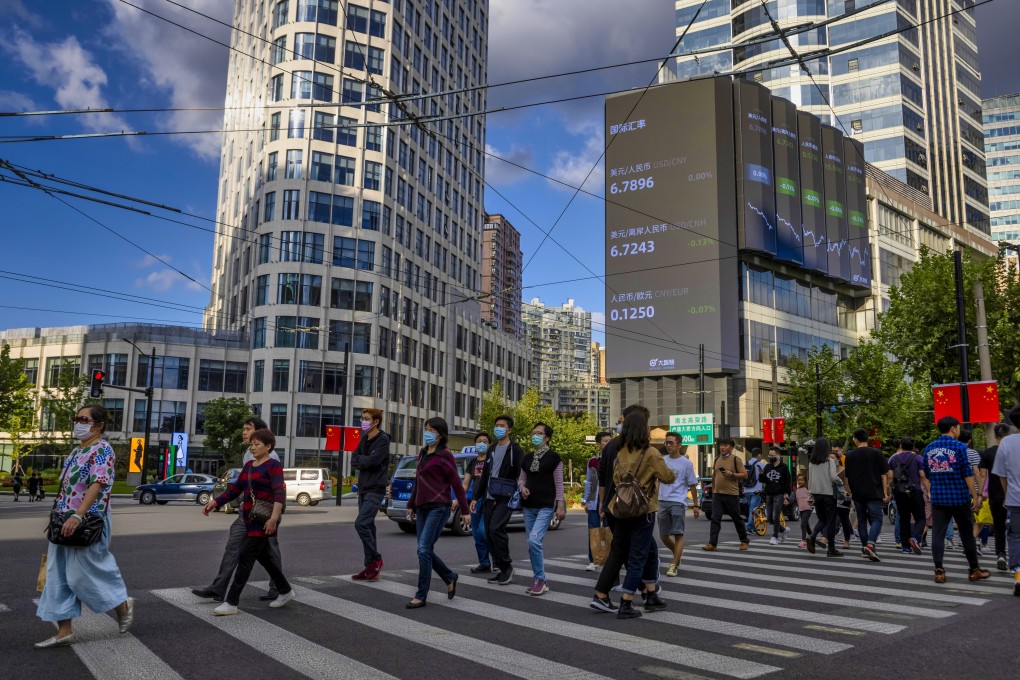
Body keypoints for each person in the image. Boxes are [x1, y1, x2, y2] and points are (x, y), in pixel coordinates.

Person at [35, 405, 134, 648]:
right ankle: (64, 630)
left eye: (83, 419)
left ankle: (122, 604)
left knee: (84, 573)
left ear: (98, 425)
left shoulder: (103, 449)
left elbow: (97, 485)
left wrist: (78, 516)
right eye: (76, 418)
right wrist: (59, 515)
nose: (77, 423)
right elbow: (67, 488)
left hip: (89, 520)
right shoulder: (75, 452)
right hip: (63, 519)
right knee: (55, 574)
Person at [591, 409, 676, 619]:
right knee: (638, 555)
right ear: (643, 429)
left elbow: (614, 480)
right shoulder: (651, 453)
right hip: (643, 510)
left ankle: (651, 593)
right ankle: (627, 602)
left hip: (619, 509)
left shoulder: (620, 452)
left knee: (642, 551)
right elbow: (668, 477)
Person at [193, 417, 284, 602]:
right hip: (247, 512)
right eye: (243, 429)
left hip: (264, 514)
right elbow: (239, 485)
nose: (244, 432)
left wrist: (274, 517)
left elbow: (278, 490)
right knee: (233, 547)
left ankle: (279, 588)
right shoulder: (248, 457)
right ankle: (218, 589)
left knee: (267, 553)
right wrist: (216, 502)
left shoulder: (271, 459)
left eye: (248, 429)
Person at [404, 417, 471, 608]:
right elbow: (418, 482)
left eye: (431, 429)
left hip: (439, 507)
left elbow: (456, 485)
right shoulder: (423, 453)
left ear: (440, 434)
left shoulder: (446, 455)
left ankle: (421, 595)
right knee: (424, 551)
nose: (427, 432)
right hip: (422, 507)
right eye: (426, 428)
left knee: (423, 549)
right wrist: (411, 504)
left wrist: (464, 510)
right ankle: (450, 577)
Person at [920, 416, 989, 584]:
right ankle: (974, 570)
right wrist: (975, 496)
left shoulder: (929, 448)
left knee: (937, 534)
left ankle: (939, 571)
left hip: (938, 499)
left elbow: (927, 474)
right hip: (959, 498)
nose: (958, 430)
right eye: (958, 428)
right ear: (953, 428)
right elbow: (967, 474)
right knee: (966, 534)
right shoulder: (960, 447)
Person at [471, 415, 524, 585]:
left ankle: (507, 566)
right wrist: (476, 497)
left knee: (496, 529)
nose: (498, 428)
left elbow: (521, 473)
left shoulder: (515, 449)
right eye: (496, 425)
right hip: (488, 497)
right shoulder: (492, 448)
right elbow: (485, 474)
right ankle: (500, 568)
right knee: (488, 533)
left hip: (505, 497)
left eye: (502, 425)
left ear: (509, 429)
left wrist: (522, 488)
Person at [518, 423, 566, 596]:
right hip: (528, 505)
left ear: (547, 438)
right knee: (532, 545)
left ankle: (540, 579)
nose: (535, 435)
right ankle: (539, 578)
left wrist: (560, 505)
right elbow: (521, 478)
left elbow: (559, 483)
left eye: (539, 433)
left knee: (534, 540)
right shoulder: (527, 457)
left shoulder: (554, 458)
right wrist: (522, 488)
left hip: (546, 505)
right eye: (533, 433)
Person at [350, 408, 390, 581]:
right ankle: (369, 567)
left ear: (376, 421)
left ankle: (376, 560)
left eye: (367, 419)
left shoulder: (383, 439)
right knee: (369, 527)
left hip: (375, 489)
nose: (363, 421)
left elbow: (374, 461)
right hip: (363, 489)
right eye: (362, 418)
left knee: (361, 524)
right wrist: (363, 460)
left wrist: (363, 460)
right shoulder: (364, 438)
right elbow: (354, 460)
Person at [844, 428, 891, 562]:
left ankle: (865, 547)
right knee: (877, 519)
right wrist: (885, 492)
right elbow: (884, 475)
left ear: (856, 439)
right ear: (867, 439)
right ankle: (870, 545)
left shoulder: (850, 455)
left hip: (858, 493)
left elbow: (847, 478)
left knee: (862, 520)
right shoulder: (876, 453)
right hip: (874, 492)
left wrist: (849, 490)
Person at [659, 431, 699, 575]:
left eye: (671, 443)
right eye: (666, 442)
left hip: (678, 501)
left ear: (679, 445)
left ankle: (674, 565)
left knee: (678, 534)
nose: (668, 445)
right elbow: (657, 480)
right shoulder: (662, 460)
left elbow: (692, 485)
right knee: (663, 535)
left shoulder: (686, 463)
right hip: (662, 501)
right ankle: (677, 555)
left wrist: (695, 505)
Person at [990, 407, 1020, 595]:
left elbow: (1001, 474)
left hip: (1015, 499)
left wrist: (1008, 493)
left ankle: (1018, 574)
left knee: (1016, 536)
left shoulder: (1007, 443)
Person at [702, 438, 750, 551]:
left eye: (725, 445)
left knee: (737, 518)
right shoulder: (717, 459)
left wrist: (732, 474)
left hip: (731, 494)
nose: (722, 447)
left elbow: (744, 475)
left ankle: (744, 541)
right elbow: (714, 476)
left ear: (732, 448)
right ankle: (712, 543)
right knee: (715, 518)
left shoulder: (736, 460)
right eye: (721, 445)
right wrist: (714, 490)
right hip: (718, 494)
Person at [981, 423, 1011, 571]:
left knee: (999, 527)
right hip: (1014, 496)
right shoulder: (1014, 450)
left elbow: (982, 475)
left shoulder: (987, 453)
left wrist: (980, 494)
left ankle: (1001, 554)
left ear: (995, 435)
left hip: (995, 496)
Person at [889, 437, 926, 555]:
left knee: (904, 519)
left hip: (899, 492)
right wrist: (929, 491)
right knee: (920, 518)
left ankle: (905, 547)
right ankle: (915, 538)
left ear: (901, 445)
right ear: (913, 446)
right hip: (915, 491)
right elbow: (923, 476)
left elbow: (890, 477)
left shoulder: (893, 459)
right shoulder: (918, 458)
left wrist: (890, 492)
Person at [806, 437, 843, 557]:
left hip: (817, 495)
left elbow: (810, 481)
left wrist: (810, 497)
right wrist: (840, 482)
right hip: (828, 494)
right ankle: (831, 549)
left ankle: (812, 536)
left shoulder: (812, 462)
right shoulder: (829, 462)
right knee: (831, 522)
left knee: (822, 519)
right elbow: (833, 477)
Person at [582, 431, 613, 571]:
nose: (608, 443)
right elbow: (589, 482)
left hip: (611, 502)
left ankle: (611, 559)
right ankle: (593, 559)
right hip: (594, 502)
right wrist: (586, 500)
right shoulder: (593, 461)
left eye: (610, 441)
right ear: (599, 443)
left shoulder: (615, 460)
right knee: (593, 531)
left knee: (610, 531)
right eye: (605, 441)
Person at [466, 432, 492, 574]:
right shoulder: (472, 462)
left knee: (484, 531)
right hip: (474, 501)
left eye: (485, 441)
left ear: (489, 444)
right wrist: (458, 499)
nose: (481, 443)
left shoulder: (492, 460)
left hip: (488, 499)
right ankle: (484, 563)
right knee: (476, 533)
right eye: (479, 441)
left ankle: (498, 559)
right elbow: (465, 483)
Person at [761, 446, 792, 545]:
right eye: (769, 455)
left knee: (775, 517)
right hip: (768, 494)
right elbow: (763, 480)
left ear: (778, 455)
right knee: (769, 518)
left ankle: (775, 536)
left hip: (779, 494)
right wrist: (761, 474)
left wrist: (786, 494)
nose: (770, 457)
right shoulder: (767, 467)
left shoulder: (784, 467)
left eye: (772, 455)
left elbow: (788, 482)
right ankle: (783, 530)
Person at [743, 448, 767, 535]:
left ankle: (751, 527)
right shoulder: (760, 464)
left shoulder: (746, 463)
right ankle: (749, 527)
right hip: (756, 490)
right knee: (752, 510)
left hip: (746, 490)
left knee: (751, 509)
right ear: (758, 455)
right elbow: (767, 473)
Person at [795, 474, 813, 548]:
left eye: (802, 480)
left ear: (805, 481)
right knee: (807, 525)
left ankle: (803, 541)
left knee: (803, 524)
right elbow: (796, 500)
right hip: (801, 509)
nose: (800, 481)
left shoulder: (807, 489)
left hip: (808, 509)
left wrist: (812, 503)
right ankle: (813, 537)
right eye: (798, 480)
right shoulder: (797, 490)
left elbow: (812, 497)